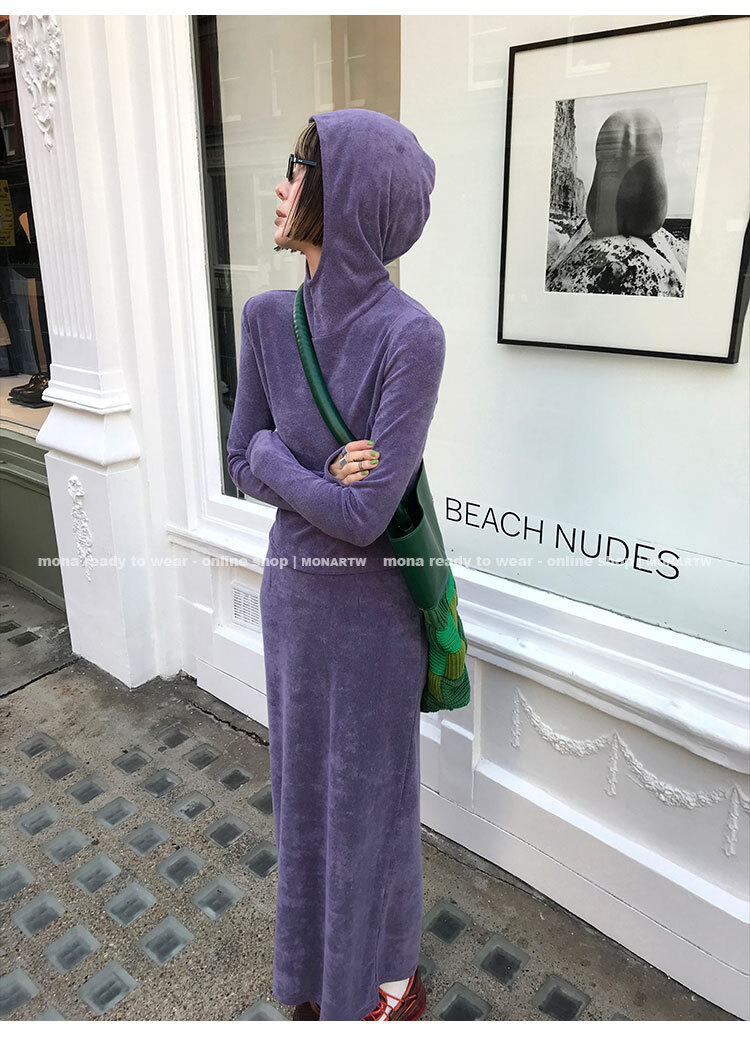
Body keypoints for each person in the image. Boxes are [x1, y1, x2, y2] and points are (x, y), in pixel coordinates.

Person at [226, 108, 446, 1021]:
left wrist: (280, 461)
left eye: (298, 169)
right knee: (304, 799)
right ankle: (317, 979)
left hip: (373, 623)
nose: (281, 187)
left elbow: (367, 515)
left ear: (346, 197)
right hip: (294, 607)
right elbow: (240, 460)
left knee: (373, 806)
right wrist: (299, 466)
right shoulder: (265, 318)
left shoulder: (411, 336)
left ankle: (388, 982)